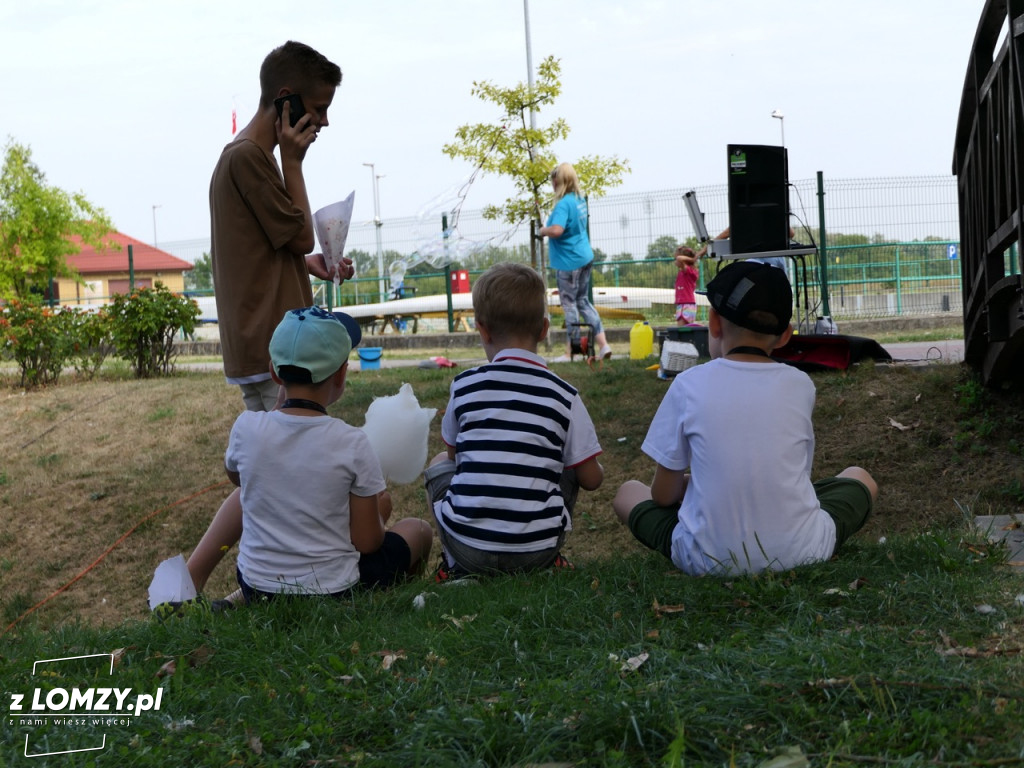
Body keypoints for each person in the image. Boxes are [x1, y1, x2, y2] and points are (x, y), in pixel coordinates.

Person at [613, 260, 878, 575]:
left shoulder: (688, 384)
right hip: (803, 551)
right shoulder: (800, 384)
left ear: (713, 323)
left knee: (628, 491)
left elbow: (663, 494)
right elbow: (798, 475)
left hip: (706, 560)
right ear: (784, 337)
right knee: (860, 477)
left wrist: (696, 482)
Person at [207, 306, 432, 604]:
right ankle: (395, 601)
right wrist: (379, 511)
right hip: (332, 593)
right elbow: (367, 542)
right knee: (419, 531)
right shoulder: (352, 443)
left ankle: (235, 603)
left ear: (274, 371)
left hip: (257, 588)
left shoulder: (247, 427)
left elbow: (236, 477)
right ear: (341, 375)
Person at [423, 262, 604, 579]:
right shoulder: (564, 395)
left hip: (469, 549)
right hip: (536, 552)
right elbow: (591, 479)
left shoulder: (464, 386)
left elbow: (454, 457)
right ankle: (550, 559)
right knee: (571, 461)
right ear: (544, 330)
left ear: (483, 329)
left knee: (439, 462)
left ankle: (454, 565)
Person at [210, 40, 354, 413]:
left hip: (273, 348)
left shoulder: (251, 156)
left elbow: (256, 253)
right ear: (285, 100)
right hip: (272, 353)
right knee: (285, 465)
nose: (324, 121)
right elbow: (302, 238)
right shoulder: (249, 159)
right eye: (319, 108)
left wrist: (305, 266)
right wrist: (293, 161)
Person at [539, 162, 613, 362]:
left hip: (568, 262)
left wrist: (542, 230)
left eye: (553, 179)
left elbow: (557, 230)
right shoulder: (579, 200)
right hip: (584, 256)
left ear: (559, 180)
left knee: (570, 305)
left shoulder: (563, 204)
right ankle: (603, 345)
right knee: (583, 302)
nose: (551, 183)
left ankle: (571, 352)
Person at [673, 245, 700, 325]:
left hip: (685, 304)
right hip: (686, 304)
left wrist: (692, 259)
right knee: (687, 332)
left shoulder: (688, 271)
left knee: (681, 331)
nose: (675, 260)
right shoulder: (684, 272)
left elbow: (679, 259)